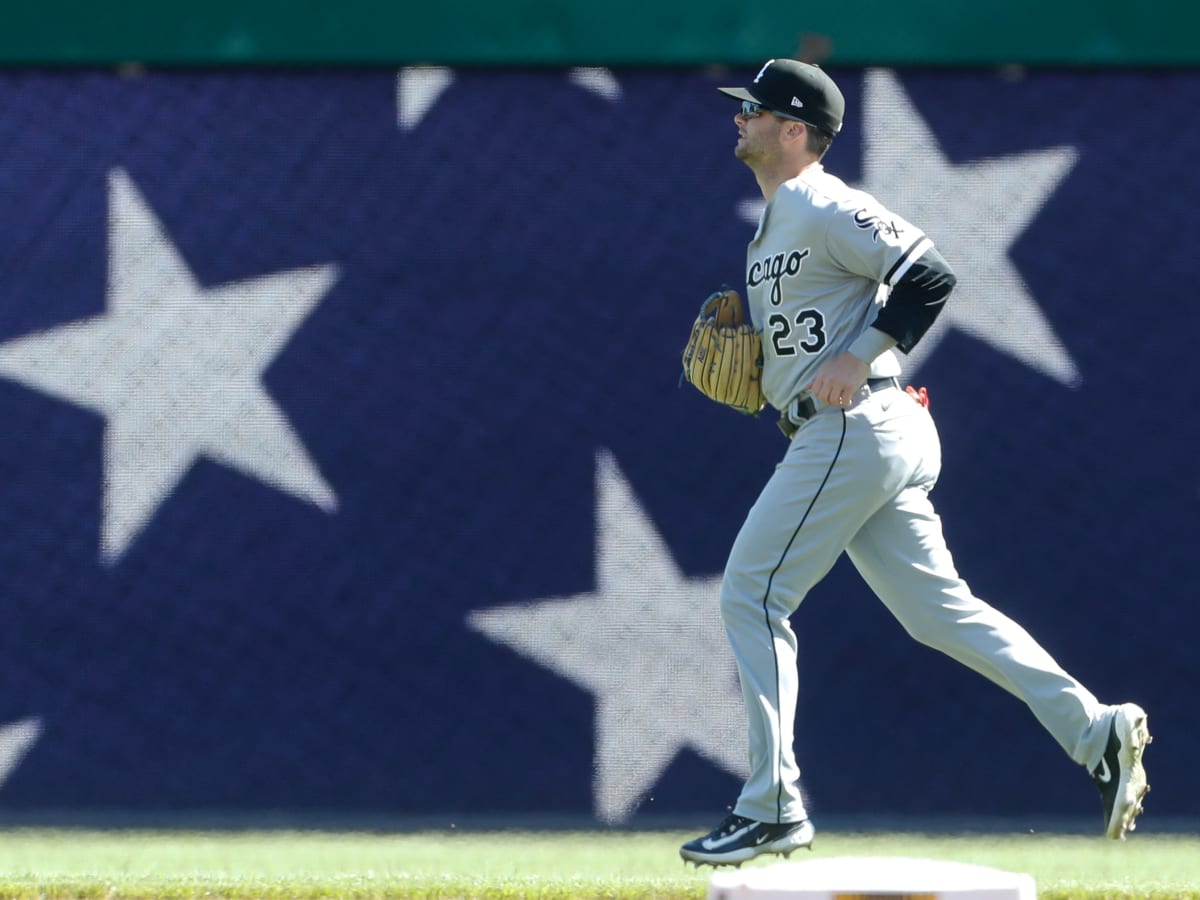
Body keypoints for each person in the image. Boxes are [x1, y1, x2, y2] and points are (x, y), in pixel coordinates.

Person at [679, 58, 1151, 868]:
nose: (740, 119)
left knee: (752, 594)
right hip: (855, 430)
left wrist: (859, 355)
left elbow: (928, 273)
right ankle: (1095, 729)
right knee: (939, 612)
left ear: (796, 130)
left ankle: (773, 805)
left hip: (854, 424)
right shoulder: (776, 225)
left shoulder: (822, 201)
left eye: (755, 109)